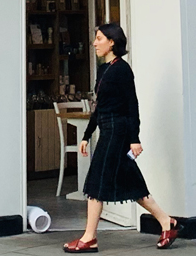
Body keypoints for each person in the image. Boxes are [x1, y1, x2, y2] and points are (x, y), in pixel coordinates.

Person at [67, 24, 180, 253]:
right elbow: (100, 106)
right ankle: (167, 222)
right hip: (107, 131)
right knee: (131, 183)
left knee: (96, 183)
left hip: (118, 133)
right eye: (95, 38)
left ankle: (90, 238)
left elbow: (132, 105)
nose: (94, 43)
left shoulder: (122, 70)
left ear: (112, 42)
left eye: (99, 38)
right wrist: (87, 135)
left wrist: (134, 139)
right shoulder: (104, 69)